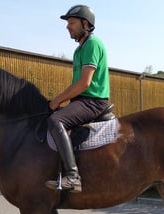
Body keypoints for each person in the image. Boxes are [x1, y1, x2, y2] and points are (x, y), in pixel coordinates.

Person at [45, 4, 111, 193]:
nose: (68, 27)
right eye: (68, 23)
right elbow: (76, 86)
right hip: (82, 101)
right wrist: (61, 99)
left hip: (93, 101)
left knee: (56, 120)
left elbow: (84, 83)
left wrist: (57, 100)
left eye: (71, 23)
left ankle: (73, 177)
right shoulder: (78, 50)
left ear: (85, 24)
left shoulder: (93, 44)